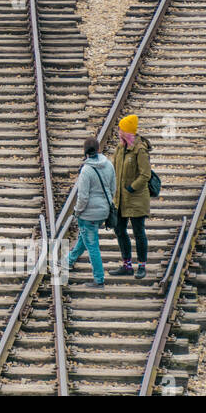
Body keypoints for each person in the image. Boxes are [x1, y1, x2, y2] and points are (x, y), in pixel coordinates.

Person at [65, 137, 116, 287]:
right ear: (98, 149)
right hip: (103, 212)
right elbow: (113, 189)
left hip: (88, 214)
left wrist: (77, 211)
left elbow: (83, 196)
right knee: (85, 237)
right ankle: (68, 261)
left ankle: (99, 279)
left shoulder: (86, 170)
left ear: (85, 152)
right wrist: (104, 206)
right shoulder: (108, 165)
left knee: (92, 245)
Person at [112, 114, 152, 279]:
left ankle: (141, 266)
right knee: (119, 230)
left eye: (121, 129)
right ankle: (127, 265)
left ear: (126, 132)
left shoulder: (139, 150)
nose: (118, 131)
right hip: (120, 199)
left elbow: (145, 174)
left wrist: (131, 187)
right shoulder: (120, 149)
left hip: (136, 199)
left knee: (138, 232)